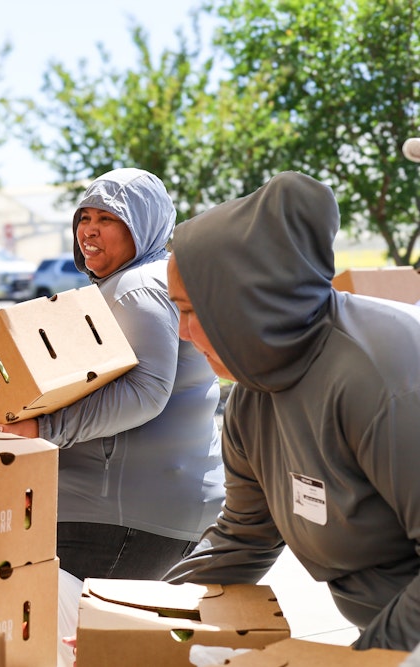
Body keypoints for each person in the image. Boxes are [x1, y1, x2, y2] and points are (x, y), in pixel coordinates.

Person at [162, 171, 420, 652]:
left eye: (191, 310)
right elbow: (242, 538)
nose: (181, 333)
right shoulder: (250, 402)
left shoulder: (382, 380)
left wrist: (359, 664)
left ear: (246, 303)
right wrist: (141, 616)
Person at [0, 168, 225, 581]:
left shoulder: (138, 288)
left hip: (121, 514)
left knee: (69, 638)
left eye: (108, 219)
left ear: (143, 224)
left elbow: (147, 391)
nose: (89, 232)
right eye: (85, 218)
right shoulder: (144, 281)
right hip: (143, 507)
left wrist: (43, 427)